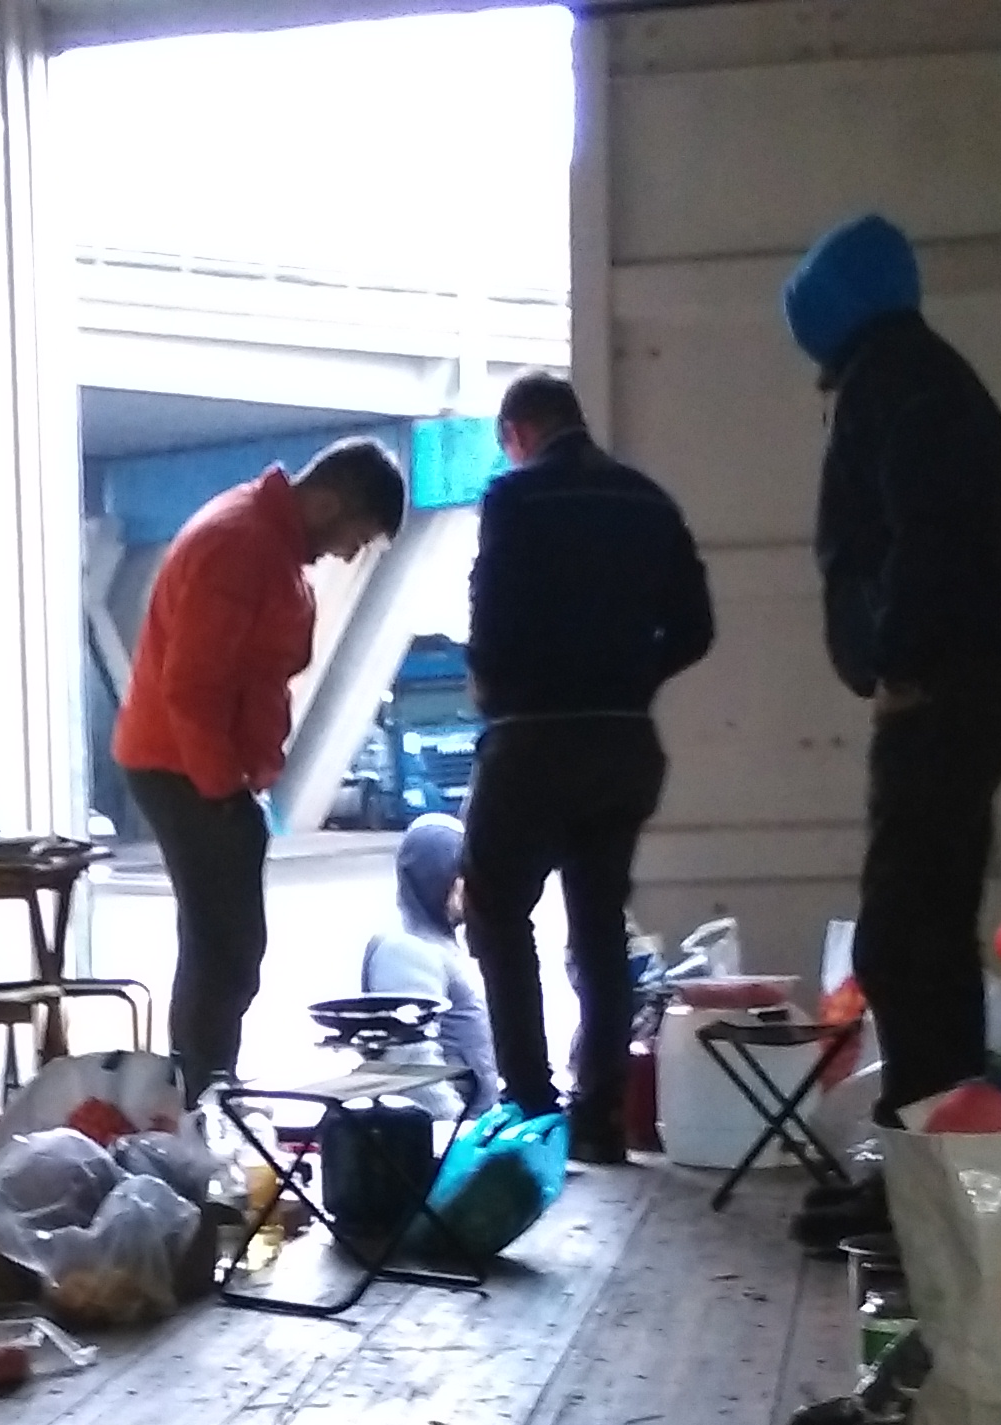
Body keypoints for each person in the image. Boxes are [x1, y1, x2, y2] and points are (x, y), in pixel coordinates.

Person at [788, 212, 1001, 1153]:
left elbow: (922, 540)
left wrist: (898, 663)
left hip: (941, 691)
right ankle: (929, 1163)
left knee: (905, 944)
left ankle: (933, 1173)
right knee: (920, 935)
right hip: (962, 685)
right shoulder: (922, 376)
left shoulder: (897, 385)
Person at [457, 370, 714, 1163]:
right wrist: (633, 682)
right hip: (624, 745)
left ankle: (532, 1108)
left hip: (533, 739)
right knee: (598, 926)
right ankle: (599, 1121)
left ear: (518, 433)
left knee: (498, 914)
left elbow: (492, 624)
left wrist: (500, 692)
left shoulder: (514, 499)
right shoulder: (648, 501)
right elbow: (696, 628)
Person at [111, 437, 408, 1098]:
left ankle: (205, 1095)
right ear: (326, 501)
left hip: (198, 767)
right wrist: (222, 790)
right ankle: (200, 1102)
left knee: (225, 948)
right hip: (183, 767)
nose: (348, 553)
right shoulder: (239, 544)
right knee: (226, 949)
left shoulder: (265, 544)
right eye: (355, 535)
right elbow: (194, 688)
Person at [359, 812, 496, 1119]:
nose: (471, 886)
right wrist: (456, 1135)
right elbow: (411, 1065)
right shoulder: (407, 949)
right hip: (448, 1141)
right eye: (461, 874)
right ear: (434, 876)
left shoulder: (438, 942)